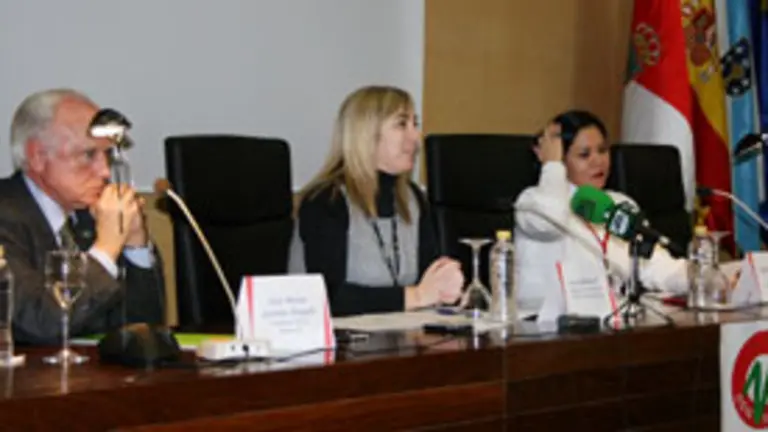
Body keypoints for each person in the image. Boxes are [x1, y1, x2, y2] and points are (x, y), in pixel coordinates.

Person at [0, 88, 165, 344]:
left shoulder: (90, 217)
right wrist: (106, 248)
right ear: (38, 157)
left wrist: (136, 247)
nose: (104, 171)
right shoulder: (6, 216)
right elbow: (40, 323)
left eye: (107, 155)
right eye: (88, 155)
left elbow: (145, 329)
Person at [290, 85, 464, 316]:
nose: (416, 137)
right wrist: (417, 296)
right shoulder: (327, 200)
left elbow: (428, 277)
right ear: (366, 134)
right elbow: (327, 297)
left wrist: (448, 289)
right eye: (402, 124)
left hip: (401, 336)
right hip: (337, 345)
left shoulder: (412, 198)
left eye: (415, 124)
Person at [514, 110, 688, 318]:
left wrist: (703, 277)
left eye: (603, 150)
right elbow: (551, 220)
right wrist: (551, 165)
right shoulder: (533, 203)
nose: (598, 162)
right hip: (547, 330)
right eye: (584, 155)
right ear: (561, 160)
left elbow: (655, 266)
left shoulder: (619, 203)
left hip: (612, 323)